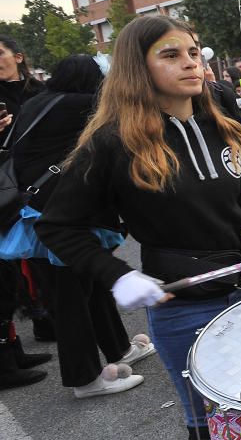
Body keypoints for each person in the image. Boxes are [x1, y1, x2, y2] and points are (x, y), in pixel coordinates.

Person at [35, 15, 241, 440]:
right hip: (184, 306)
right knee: (205, 423)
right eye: (171, 55)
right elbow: (58, 225)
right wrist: (115, 275)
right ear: (137, 68)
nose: (191, 62)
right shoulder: (112, 143)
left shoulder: (222, 118)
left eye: (194, 51)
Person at [9, 55, 154, 398]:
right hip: (58, 215)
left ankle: (119, 349)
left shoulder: (38, 101)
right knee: (73, 299)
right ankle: (85, 379)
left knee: (92, 288)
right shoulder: (79, 103)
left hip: (44, 210)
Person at [0, 35, 51, 390]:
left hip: (29, 185)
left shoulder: (38, 90)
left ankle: (15, 351)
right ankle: (5, 367)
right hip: (4, 191)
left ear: (18, 56)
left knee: (20, 271)